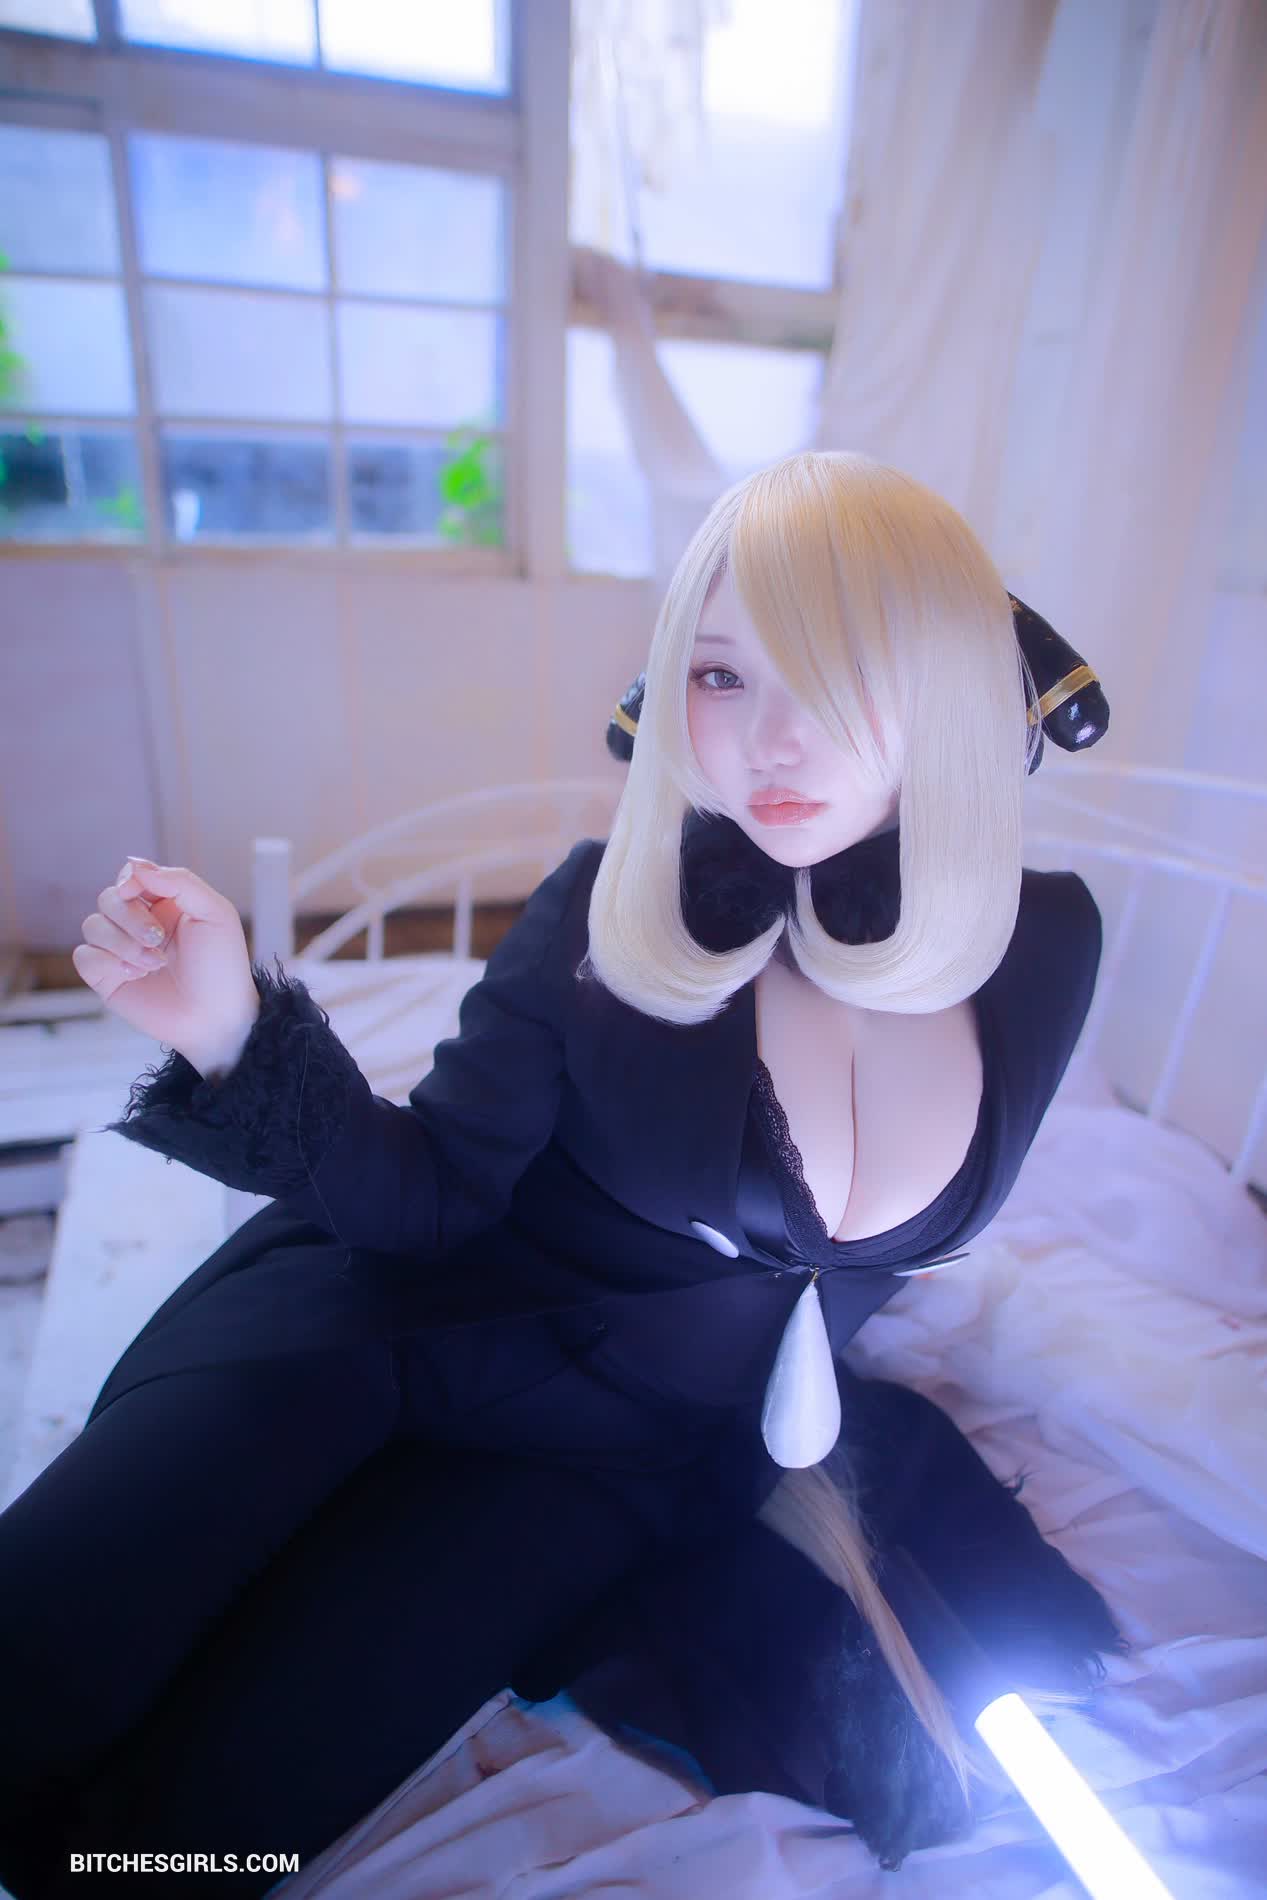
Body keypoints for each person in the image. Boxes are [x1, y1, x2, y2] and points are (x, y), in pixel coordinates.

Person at [0, 450, 1123, 1897]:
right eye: (721, 676)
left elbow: (856, 1265)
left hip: (600, 1463)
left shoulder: (1047, 945)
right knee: (38, 1655)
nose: (770, 744)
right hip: (385, 1322)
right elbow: (427, 1198)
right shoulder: (611, 903)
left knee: (181, 1844)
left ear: (956, 687)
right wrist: (230, 1032)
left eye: (840, 676)